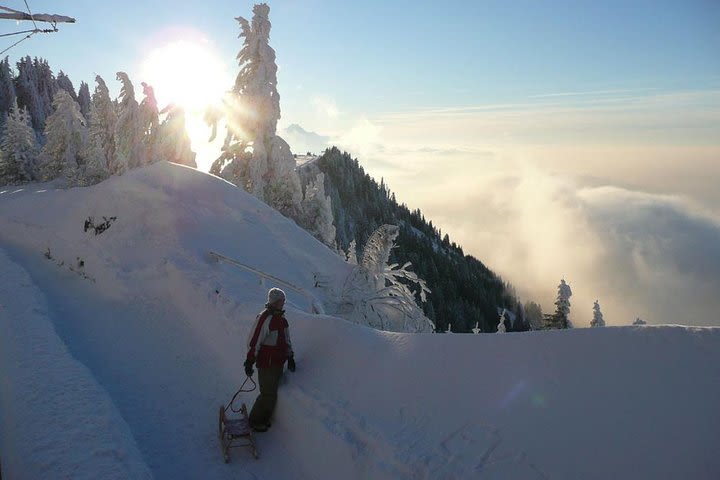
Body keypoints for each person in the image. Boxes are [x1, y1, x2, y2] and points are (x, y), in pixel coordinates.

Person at [244, 287, 296, 432]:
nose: (283, 303)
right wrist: (250, 360)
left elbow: (286, 340)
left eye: (284, 300)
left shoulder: (282, 319)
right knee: (268, 394)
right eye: (281, 301)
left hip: (278, 363)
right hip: (267, 363)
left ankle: (262, 418)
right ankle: (255, 421)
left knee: (270, 392)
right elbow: (254, 340)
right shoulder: (265, 318)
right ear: (275, 302)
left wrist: (290, 356)